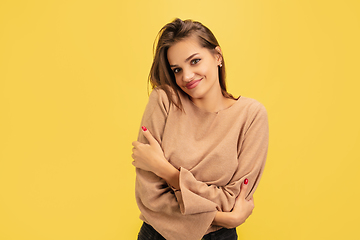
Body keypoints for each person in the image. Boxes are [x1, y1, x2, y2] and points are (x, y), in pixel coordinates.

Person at [131, 18, 269, 240]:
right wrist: (225, 219)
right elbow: (150, 197)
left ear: (217, 56)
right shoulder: (164, 101)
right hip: (158, 234)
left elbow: (232, 200)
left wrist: (167, 171)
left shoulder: (251, 116)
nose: (186, 76)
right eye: (177, 69)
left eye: (194, 61)